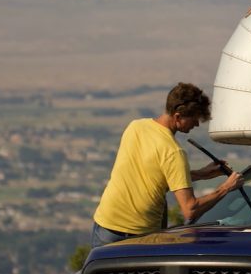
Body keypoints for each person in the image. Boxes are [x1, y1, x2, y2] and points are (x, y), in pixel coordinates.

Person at [91, 82, 243, 248]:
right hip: (137, 235)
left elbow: (152, 172)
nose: (197, 124)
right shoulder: (173, 152)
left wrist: (201, 174)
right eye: (194, 119)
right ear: (178, 117)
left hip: (105, 224)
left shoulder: (135, 127)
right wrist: (226, 188)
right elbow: (190, 209)